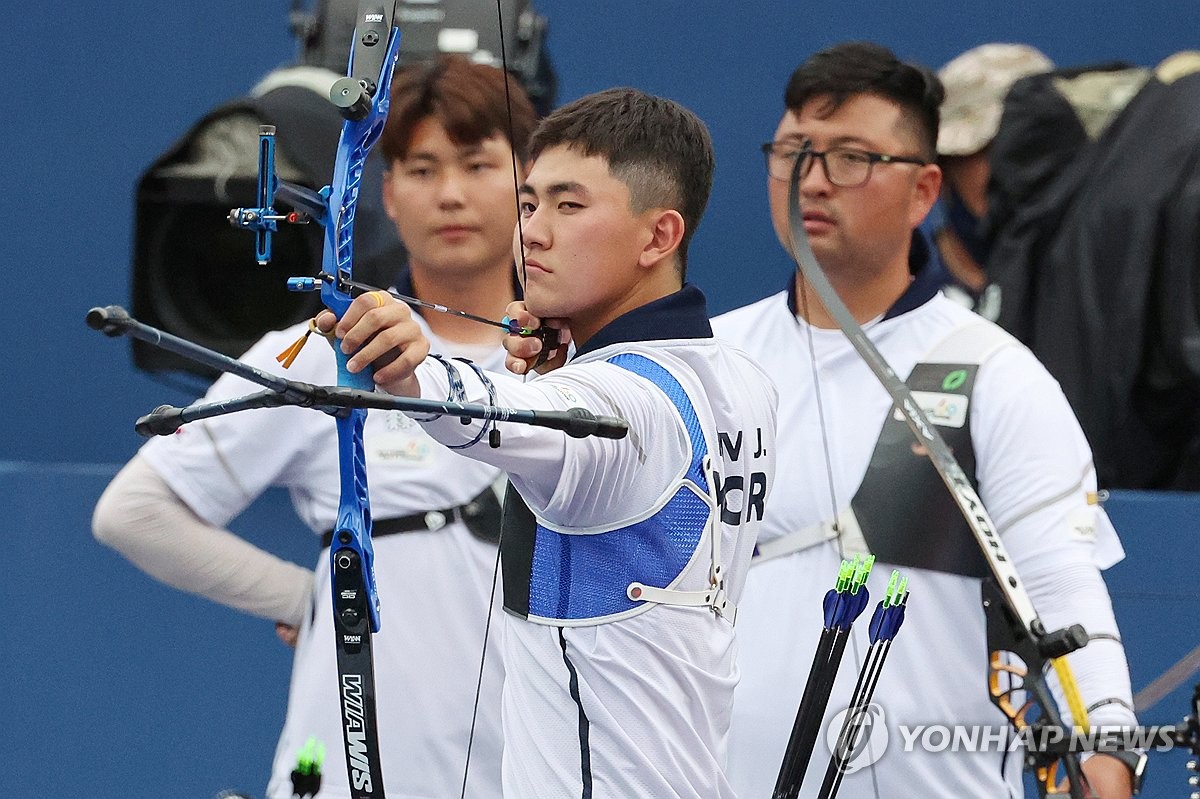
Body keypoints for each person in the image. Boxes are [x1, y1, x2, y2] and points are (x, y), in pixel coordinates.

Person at [93, 54, 537, 799]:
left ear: (529, 184)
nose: (451, 194)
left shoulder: (578, 359)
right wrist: (306, 597)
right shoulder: (323, 351)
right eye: (422, 169)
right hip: (345, 768)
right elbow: (134, 511)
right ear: (387, 194)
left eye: (477, 163)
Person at [320, 87, 778, 798]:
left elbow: (507, 412)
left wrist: (412, 369)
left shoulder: (623, 403)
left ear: (659, 236)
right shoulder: (741, 378)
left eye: (569, 207)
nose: (531, 230)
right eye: (529, 203)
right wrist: (574, 360)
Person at [713, 42, 1140, 798]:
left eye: (851, 157)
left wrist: (1106, 752)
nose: (811, 180)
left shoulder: (992, 371)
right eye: (792, 152)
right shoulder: (709, 360)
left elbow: (1061, 590)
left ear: (924, 189)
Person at [926, 43, 1054, 317]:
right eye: (997, 148)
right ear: (942, 170)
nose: (1027, 170)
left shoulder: (1102, 283)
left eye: (1039, 147)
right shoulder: (903, 298)